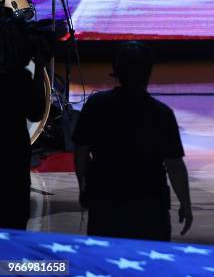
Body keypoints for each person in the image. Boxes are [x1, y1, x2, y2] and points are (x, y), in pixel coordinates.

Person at [73, 41, 193, 241]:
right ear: (148, 71)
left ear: (117, 71)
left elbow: (81, 152)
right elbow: (175, 166)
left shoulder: (96, 105)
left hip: (105, 200)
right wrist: (185, 204)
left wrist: (84, 188)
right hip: (150, 206)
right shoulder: (162, 114)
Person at [0, 20, 47, 229]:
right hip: (14, 153)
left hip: (13, 152)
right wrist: (40, 67)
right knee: (15, 217)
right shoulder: (20, 80)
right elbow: (36, 112)